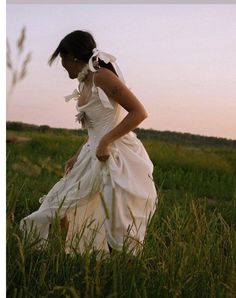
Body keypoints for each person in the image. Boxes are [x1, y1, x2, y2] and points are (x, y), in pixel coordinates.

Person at [20, 30, 158, 256]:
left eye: (62, 59)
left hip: (113, 155)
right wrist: (78, 154)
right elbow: (95, 128)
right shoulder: (85, 82)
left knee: (114, 219)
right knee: (59, 204)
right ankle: (58, 257)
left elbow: (139, 112)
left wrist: (104, 143)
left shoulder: (102, 76)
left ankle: (118, 270)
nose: (62, 65)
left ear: (73, 56)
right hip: (91, 153)